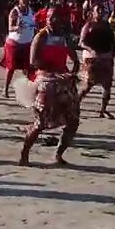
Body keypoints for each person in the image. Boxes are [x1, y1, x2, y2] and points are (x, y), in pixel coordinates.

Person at [19, 10, 81, 166]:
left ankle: (58, 154)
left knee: (73, 121)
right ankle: (24, 154)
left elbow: (75, 60)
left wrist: (72, 74)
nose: (55, 20)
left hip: (63, 80)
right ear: (46, 19)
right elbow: (34, 61)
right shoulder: (41, 36)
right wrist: (53, 71)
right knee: (40, 122)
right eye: (51, 17)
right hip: (45, 80)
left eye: (58, 17)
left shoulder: (64, 37)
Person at [77, 5, 115, 118]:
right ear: (93, 12)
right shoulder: (88, 25)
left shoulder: (106, 26)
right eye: (97, 10)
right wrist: (91, 50)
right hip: (91, 58)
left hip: (106, 57)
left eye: (102, 10)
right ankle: (75, 105)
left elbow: (112, 41)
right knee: (87, 86)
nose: (100, 12)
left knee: (107, 86)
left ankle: (103, 110)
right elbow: (81, 42)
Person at [0, 0, 36, 97]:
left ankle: (31, 91)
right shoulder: (15, 12)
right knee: (11, 68)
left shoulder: (31, 11)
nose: (26, 0)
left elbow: (34, 23)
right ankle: (5, 89)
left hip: (27, 43)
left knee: (29, 68)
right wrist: (17, 27)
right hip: (14, 43)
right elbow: (10, 28)